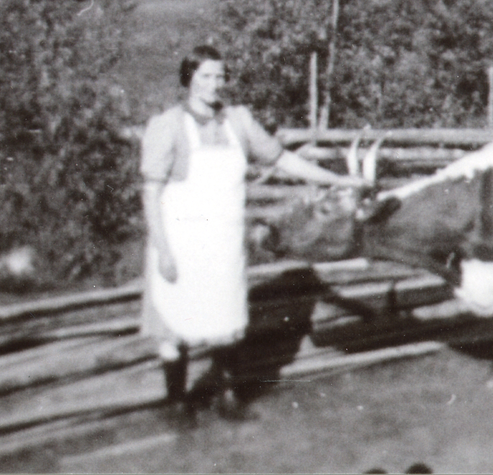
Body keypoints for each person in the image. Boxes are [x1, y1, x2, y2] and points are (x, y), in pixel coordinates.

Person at [139, 45, 364, 419]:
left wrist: (337, 178)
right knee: (173, 326)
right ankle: (177, 402)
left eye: (220, 76)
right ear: (189, 79)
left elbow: (281, 158)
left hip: (223, 243)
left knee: (225, 319)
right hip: (180, 243)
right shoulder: (169, 126)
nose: (214, 84)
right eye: (206, 76)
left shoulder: (238, 122)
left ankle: (227, 397)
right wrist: (163, 250)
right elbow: (150, 193)